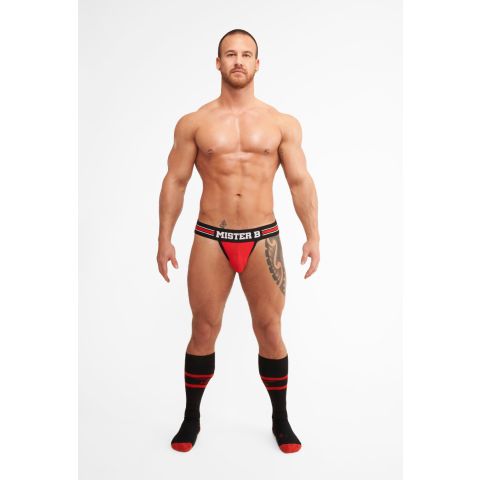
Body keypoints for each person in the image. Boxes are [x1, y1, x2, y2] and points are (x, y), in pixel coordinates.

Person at [157, 28, 320, 454]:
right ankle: (191, 417)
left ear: (257, 64)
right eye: (230, 54)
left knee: (270, 329)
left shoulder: (281, 123)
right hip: (211, 236)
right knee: (203, 328)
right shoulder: (195, 123)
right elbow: (175, 180)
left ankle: (280, 419)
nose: (238, 61)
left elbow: (300, 181)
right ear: (218, 63)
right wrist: (164, 238)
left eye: (246, 55)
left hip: (263, 237)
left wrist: (313, 235)